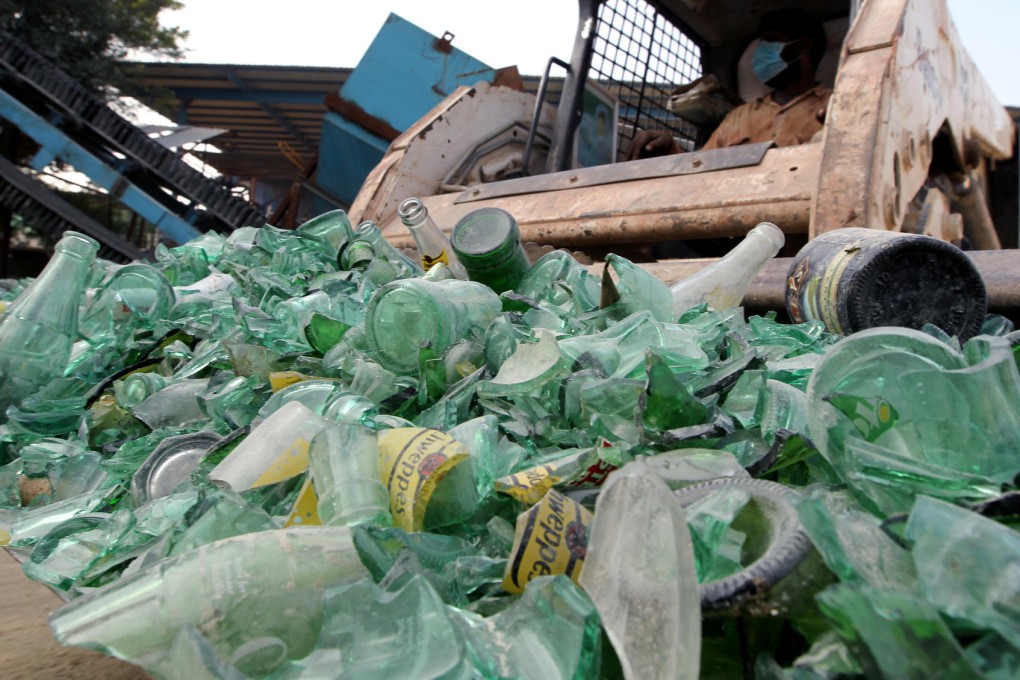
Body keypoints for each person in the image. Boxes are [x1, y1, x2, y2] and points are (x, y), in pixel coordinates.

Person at [626, 9, 832, 160]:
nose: (761, 54)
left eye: (771, 41)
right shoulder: (738, 117)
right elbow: (699, 168)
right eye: (761, 45)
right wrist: (670, 152)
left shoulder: (836, 107)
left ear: (803, 46)